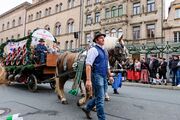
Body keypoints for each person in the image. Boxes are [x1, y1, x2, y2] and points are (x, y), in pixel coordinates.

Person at [82, 32, 114, 120]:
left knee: (101, 96)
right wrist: (88, 80)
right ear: (96, 40)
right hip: (96, 76)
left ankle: (87, 108)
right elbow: (88, 65)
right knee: (100, 100)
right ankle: (102, 118)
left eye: (103, 38)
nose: (103, 39)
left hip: (104, 76)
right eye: (101, 38)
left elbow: (106, 64)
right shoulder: (93, 50)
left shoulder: (105, 51)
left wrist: (110, 75)